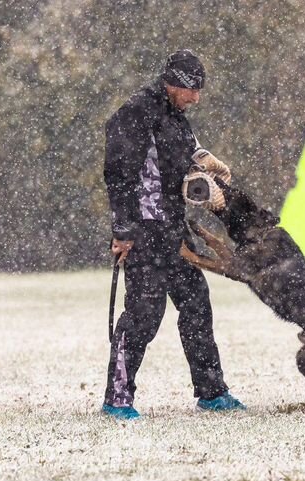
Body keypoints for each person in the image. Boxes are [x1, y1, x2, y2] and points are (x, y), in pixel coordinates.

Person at [102, 50, 245, 420]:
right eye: (191, 90)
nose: (196, 98)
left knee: (197, 303)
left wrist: (206, 164)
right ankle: (117, 399)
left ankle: (211, 392)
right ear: (172, 82)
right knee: (144, 315)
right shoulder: (135, 113)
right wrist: (123, 230)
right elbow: (119, 176)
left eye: (199, 90)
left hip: (172, 229)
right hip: (144, 232)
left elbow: (184, 156)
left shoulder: (176, 116)